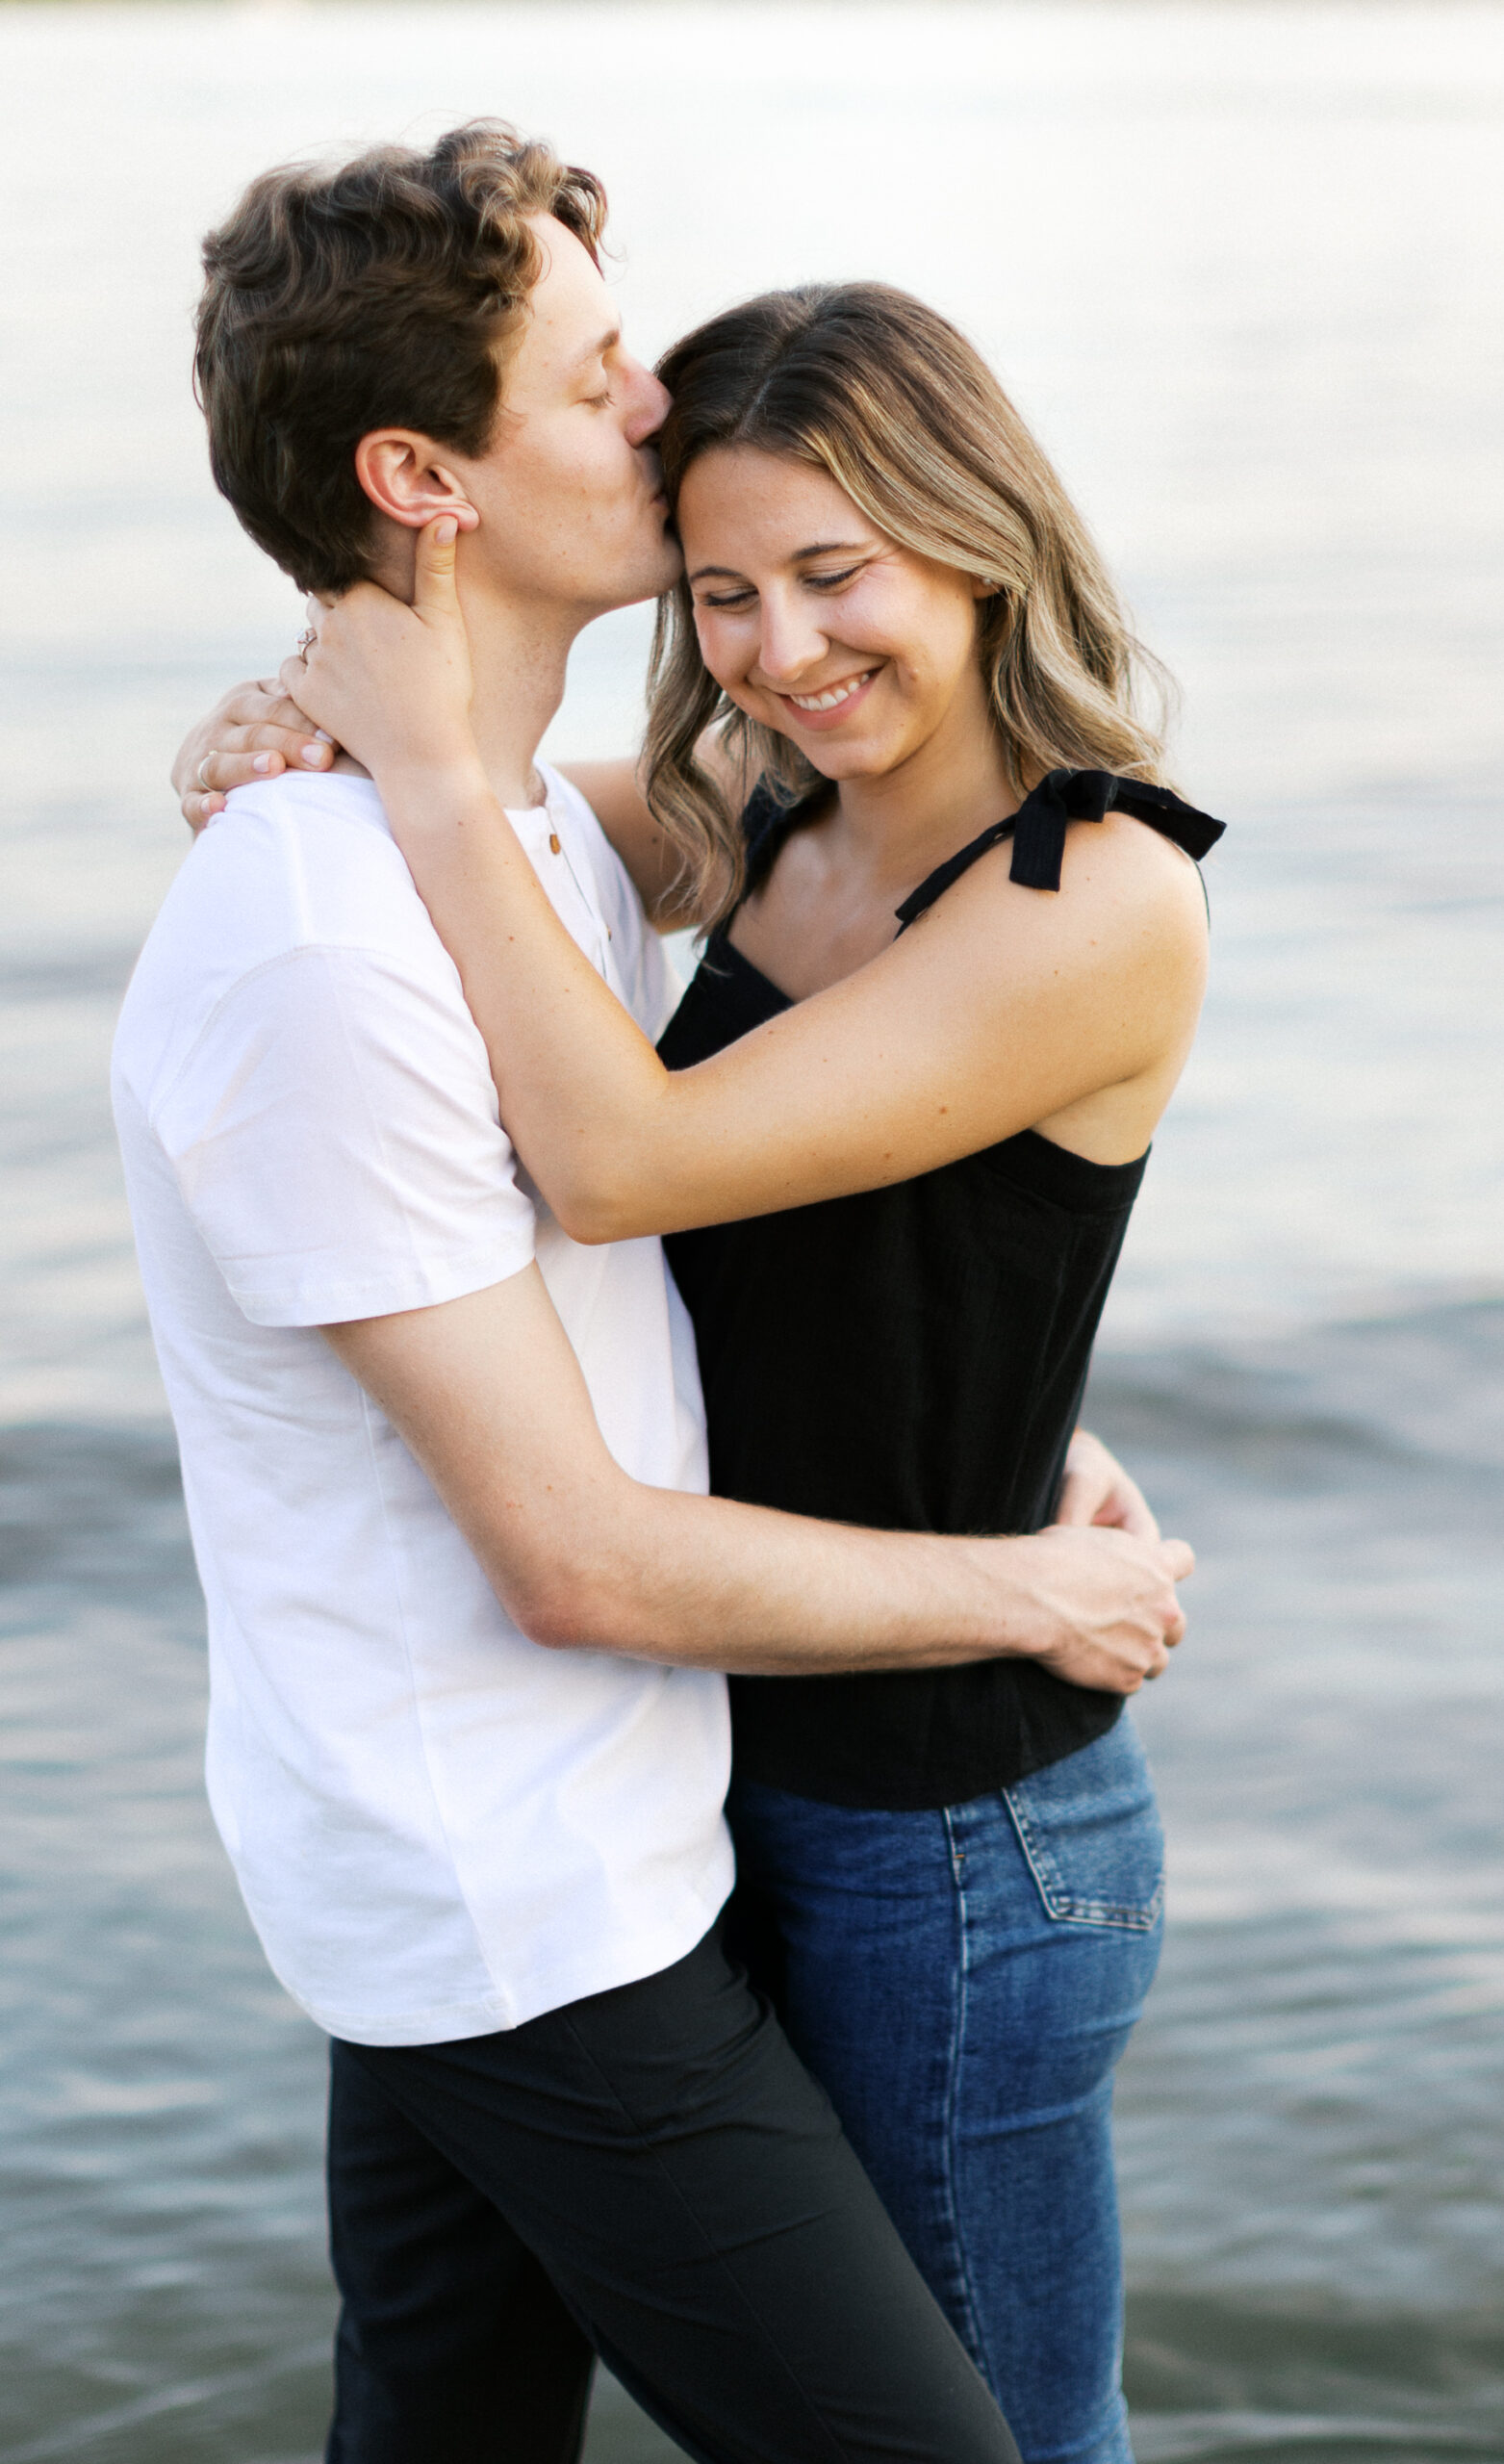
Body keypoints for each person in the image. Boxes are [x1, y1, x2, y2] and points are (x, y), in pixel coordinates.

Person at [130, 127, 1193, 2464]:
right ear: (431, 472)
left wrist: (1015, 1483)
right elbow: (544, 1003)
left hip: (874, 1814)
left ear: (972, 535)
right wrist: (319, 741)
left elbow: (660, 1174)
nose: (777, 642)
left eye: (836, 572)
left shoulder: (1047, 883)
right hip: (618, 1826)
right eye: (728, 586)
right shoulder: (706, 818)